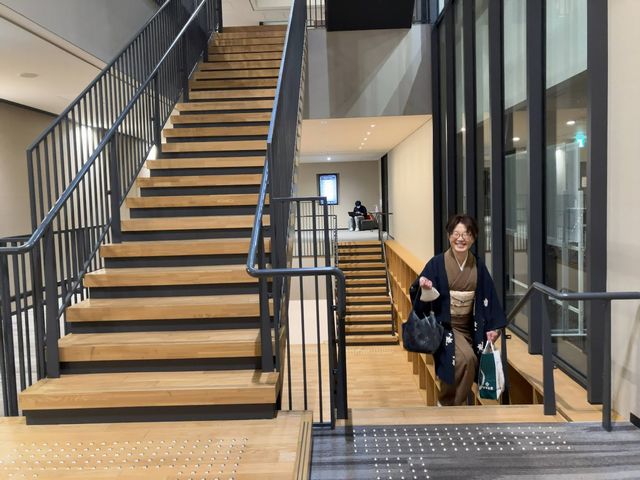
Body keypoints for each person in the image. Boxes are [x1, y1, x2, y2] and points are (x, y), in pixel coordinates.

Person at [409, 214, 506, 406]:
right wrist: (425, 288)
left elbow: (489, 297)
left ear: (473, 238)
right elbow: (417, 294)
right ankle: (449, 404)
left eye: (466, 234)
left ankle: (448, 404)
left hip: (470, 327)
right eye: (456, 233)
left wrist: (494, 327)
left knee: (468, 361)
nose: (461, 239)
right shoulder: (436, 264)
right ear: (449, 235)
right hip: (444, 325)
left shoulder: (478, 266)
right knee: (465, 359)